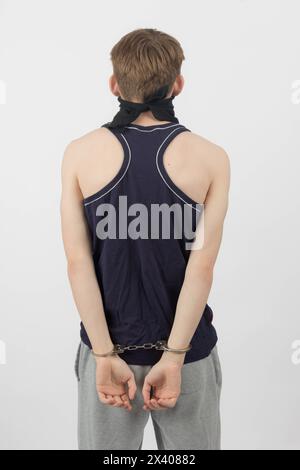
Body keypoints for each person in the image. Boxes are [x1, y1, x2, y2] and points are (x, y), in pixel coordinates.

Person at [60, 28, 230, 451]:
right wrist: (173, 357)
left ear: (114, 84)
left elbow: (78, 264)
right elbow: (201, 268)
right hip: (186, 354)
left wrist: (103, 355)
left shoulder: (79, 154)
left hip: (107, 352)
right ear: (178, 84)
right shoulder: (211, 158)